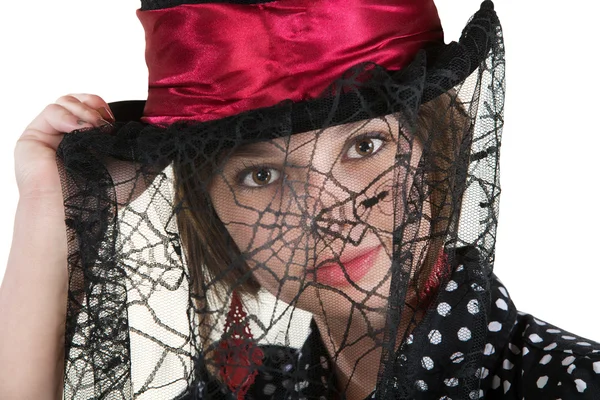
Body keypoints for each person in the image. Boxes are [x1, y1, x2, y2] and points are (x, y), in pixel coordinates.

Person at [1, 1, 599, 400]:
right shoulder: (255, 390)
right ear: (211, 209)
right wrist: (49, 214)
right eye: (260, 175)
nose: (326, 215)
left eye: (365, 144)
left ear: (435, 150)